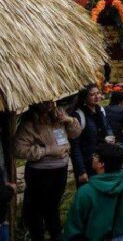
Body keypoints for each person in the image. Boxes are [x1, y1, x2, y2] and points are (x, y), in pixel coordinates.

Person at [14, 101, 82, 240]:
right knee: (37, 208)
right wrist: (46, 151)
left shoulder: (58, 116)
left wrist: (68, 120)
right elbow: (18, 149)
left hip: (61, 168)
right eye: (44, 103)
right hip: (41, 172)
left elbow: (75, 133)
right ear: (36, 103)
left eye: (50, 101)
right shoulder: (29, 124)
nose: (49, 105)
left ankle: (55, 233)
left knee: (53, 205)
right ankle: (37, 235)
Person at [62, 143, 123, 241]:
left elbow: (73, 228)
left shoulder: (85, 192)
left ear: (101, 164)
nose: (92, 157)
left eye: (95, 155)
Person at [70, 84, 114, 186]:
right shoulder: (79, 115)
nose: (96, 96)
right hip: (87, 163)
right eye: (92, 95)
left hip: (101, 160)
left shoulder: (100, 110)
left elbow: (106, 129)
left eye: (98, 93)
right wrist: (81, 171)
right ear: (84, 98)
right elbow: (74, 146)